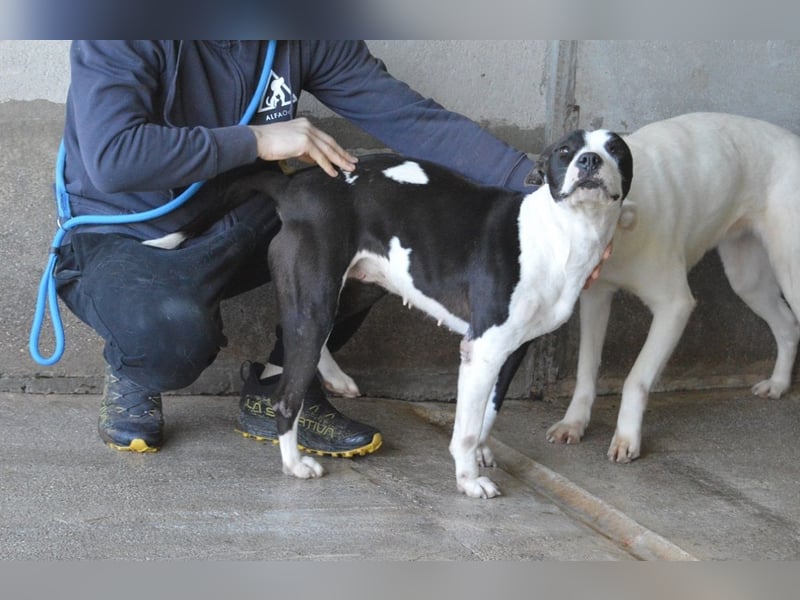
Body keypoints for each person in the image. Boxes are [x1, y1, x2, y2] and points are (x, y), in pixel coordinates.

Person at [54, 40, 550, 456]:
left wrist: (547, 197)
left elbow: (408, 117)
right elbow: (113, 155)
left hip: (237, 212)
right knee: (168, 335)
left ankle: (278, 384)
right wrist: (256, 140)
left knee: (379, 206)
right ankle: (135, 368)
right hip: (126, 233)